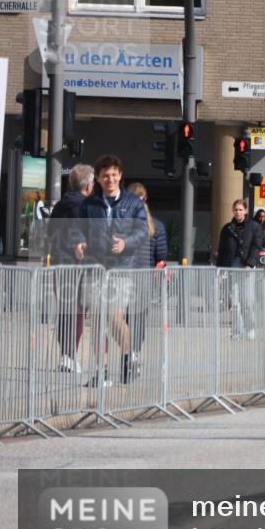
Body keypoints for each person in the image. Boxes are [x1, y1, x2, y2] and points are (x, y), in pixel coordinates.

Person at [73, 155, 149, 385]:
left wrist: (126, 243)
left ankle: (128, 360)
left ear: (120, 176)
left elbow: (142, 231)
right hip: (95, 267)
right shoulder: (89, 204)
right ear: (98, 178)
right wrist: (79, 242)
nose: (110, 179)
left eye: (114, 174)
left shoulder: (133, 204)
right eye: (105, 175)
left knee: (114, 317)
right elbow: (78, 229)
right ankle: (101, 371)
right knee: (96, 319)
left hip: (121, 269)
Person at [47, 164, 95, 373]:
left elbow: (50, 233)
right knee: (77, 311)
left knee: (66, 311)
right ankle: (69, 356)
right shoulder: (84, 206)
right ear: (87, 186)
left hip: (59, 262)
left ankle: (66, 356)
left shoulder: (59, 206)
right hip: (77, 264)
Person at [126, 183, 167, 370]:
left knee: (123, 319)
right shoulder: (156, 226)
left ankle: (127, 354)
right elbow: (161, 256)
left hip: (124, 277)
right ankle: (133, 354)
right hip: (144, 279)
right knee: (139, 319)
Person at [216, 199, 265, 339]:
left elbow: (257, 247)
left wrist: (250, 264)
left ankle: (249, 327)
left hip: (247, 266)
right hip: (231, 265)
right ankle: (237, 331)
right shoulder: (227, 229)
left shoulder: (254, 227)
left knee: (247, 300)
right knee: (234, 300)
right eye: (236, 209)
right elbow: (222, 250)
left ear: (245, 210)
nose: (238, 212)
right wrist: (220, 270)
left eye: (240, 209)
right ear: (232, 211)